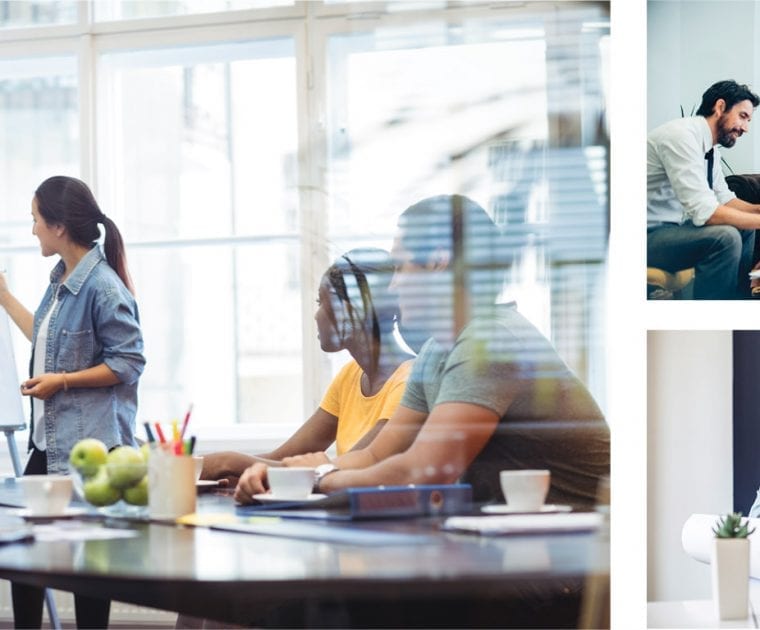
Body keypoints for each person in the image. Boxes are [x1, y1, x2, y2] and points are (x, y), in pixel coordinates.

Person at [235, 194, 610, 509]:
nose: (394, 284)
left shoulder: (492, 344)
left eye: (401, 266)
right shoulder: (436, 352)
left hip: (576, 569)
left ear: (438, 261)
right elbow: (376, 456)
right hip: (518, 550)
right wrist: (291, 477)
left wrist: (321, 476)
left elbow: (425, 471)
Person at [0, 175, 145, 629]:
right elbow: (45, 340)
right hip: (49, 445)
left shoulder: (102, 287)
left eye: (35, 220)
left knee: (88, 571)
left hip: (92, 450)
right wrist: (4, 298)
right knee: (26, 561)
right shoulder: (61, 280)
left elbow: (129, 362)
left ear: (59, 226)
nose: (33, 230)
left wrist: (60, 382)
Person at [201, 248, 415, 488]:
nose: (316, 315)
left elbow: (336, 470)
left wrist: (227, 461)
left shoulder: (408, 382)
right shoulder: (349, 376)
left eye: (321, 303)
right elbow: (282, 459)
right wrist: (220, 467)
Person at [648, 80, 760, 299]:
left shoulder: (709, 148)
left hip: (670, 230)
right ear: (720, 108)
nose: (746, 128)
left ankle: (736, 299)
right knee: (725, 237)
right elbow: (705, 213)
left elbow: (725, 199)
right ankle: (713, 312)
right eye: (743, 116)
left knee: (745, 228)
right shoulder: (680, 136)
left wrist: (757, 210)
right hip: (646, 236)